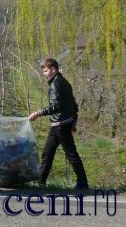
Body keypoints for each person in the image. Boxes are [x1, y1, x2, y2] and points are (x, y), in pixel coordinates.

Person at [29, 58, 88, 189]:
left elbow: (56, 106)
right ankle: (40, 182)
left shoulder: (55, 84)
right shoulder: (65, 82)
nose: (44, 74)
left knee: (71, 154)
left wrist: (38, 113)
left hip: (60, 124)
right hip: (61, 124)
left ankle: (82, 183)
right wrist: (73, 122)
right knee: (48, 153)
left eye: (45, 71)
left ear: (53, 69)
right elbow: (74, 105)